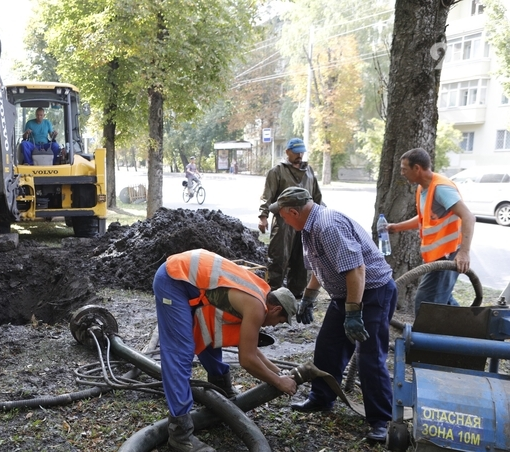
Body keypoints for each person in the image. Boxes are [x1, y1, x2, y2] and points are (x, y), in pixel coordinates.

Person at [271, 187, 397, 443]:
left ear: (294, 212)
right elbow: (322, 265)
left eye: (283, 215)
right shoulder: (309, 227)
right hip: (346, 294)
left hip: (372, 292)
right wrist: (309, 296)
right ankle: (321, 398)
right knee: (328, 347)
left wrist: (353, 313)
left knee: (369, 357)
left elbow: (356, 270)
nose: (282, 220)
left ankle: (381, 419)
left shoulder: (327, 226)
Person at [155, 249, 298, 452]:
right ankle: (180, 435)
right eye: (280, 321)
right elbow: (247, 359)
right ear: (275, 309)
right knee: (180, 353)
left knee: (211, 335)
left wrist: (279, 373)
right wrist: (278, 382)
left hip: (188, 280)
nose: (275, 326)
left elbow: (250, 349)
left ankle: (222, 392)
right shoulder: (256, 307)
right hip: (173, 279)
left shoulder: (260, 294)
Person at [386, 148, 476, 314]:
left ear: (417, 168)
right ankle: (469, 329)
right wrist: (397, 227)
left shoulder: (441, 188)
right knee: (442, 300)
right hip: (438, 255)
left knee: (426, 303)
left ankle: (429, 337)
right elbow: (424, 218)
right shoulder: (424, 188)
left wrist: (464, 253)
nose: (402, 173)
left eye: (404, 169)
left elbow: (469, 217)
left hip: (449, 255)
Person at [258, 138, 322, 301]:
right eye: (296, 152)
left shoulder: (309, 172)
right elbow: (267, 195)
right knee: (279, 256)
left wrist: (320, 216)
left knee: (302, 258)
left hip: (306, 221)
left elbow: (316, 196)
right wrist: (263, 216)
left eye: (302, 152)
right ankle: (274, 292)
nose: (299, 155)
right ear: (287, 152)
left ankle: (297, 293)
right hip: (283, 222)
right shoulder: (277, 171)